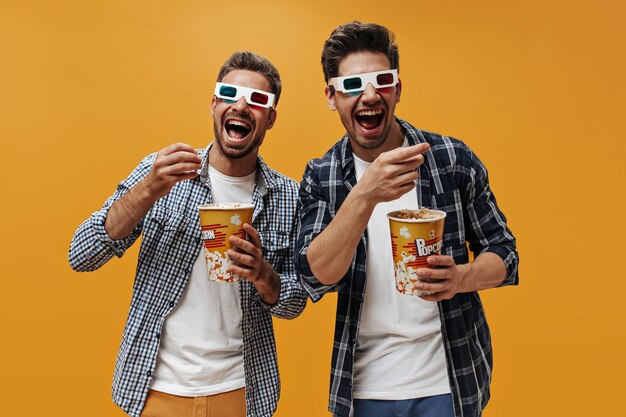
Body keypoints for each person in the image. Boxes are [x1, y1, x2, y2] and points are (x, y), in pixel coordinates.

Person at [294, 22, 519, 417]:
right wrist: (365, 193)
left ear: (397, 88)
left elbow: (505, 252)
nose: (369, 95)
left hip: (449, 382)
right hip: (362, 388)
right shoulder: (322, 175)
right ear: (331, 96)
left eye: (382, 80)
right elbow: (315, 276)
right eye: (352, 85)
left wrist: (461, 278)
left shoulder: (452, 158)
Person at [69, 51, 307, 417]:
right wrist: (147, 190)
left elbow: (294, 304)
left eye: (258, 100)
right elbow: (81, 255)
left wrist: (262, 273)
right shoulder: (161, 172)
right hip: (155, 389)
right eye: (230, 94)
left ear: (270, 118)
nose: (241, 106)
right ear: (214, 104)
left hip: (242, 391)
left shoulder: (288, 195)